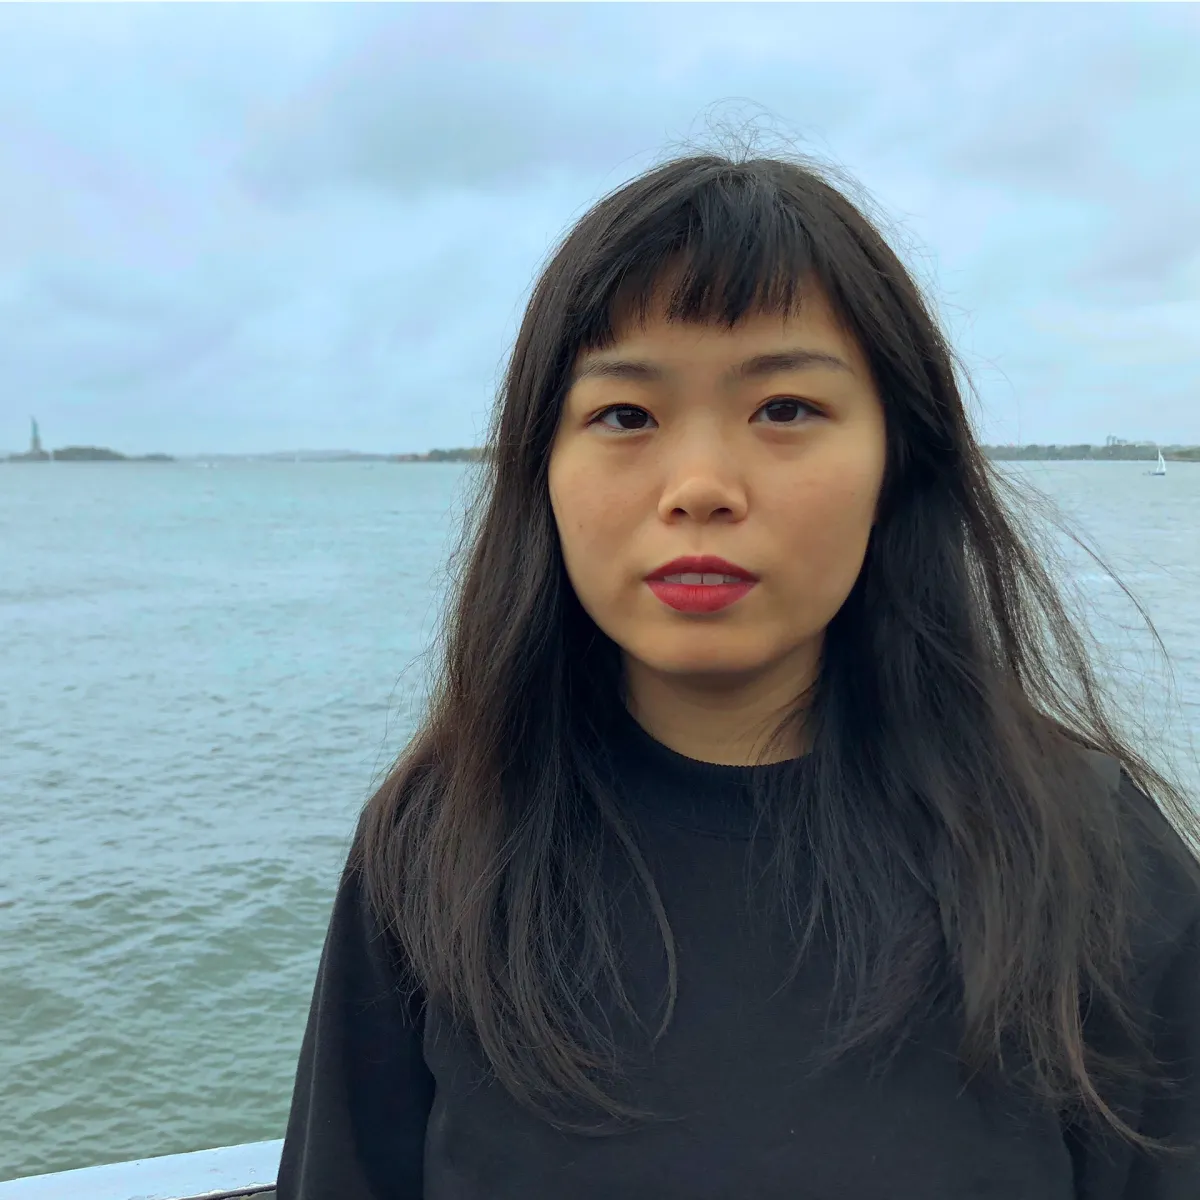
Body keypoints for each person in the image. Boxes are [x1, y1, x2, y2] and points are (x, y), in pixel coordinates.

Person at [275, 149, 1200, 1200]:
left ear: (899, 461)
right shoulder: (437, 850)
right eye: (625, 415)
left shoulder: (1088, 852)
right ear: (542, 472)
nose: (702, 486)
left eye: (786, 409)